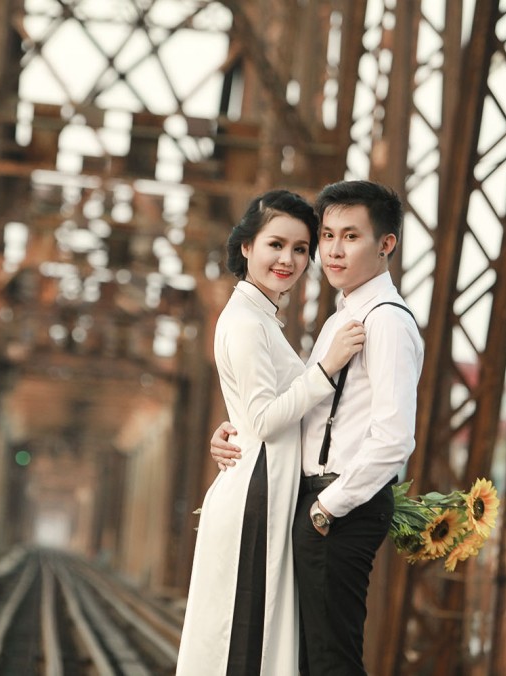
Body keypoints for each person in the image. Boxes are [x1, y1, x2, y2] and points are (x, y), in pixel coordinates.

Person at [210, 180, 425, 675]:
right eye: (326, 236)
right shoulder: (340, 321)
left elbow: (395, 438)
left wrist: (327, 509)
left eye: (350, 236)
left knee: (331, 661)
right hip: (316, 502)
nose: (332, 250)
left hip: (337, 506)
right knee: (308, 660)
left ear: (385, 244)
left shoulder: (387, 322)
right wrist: (238, 427)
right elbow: (306, 412)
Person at [176, 189, 367, 675]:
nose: (289, 259)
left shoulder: (261, 319)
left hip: (266, 489)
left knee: (248, 641)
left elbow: (255, 411)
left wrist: (234, 423)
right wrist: (326, 368)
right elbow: (262, 420)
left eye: (301, 249)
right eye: (275, 245)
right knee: (244, 643)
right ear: (246, 248)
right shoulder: (245, 322)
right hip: (256, 500)